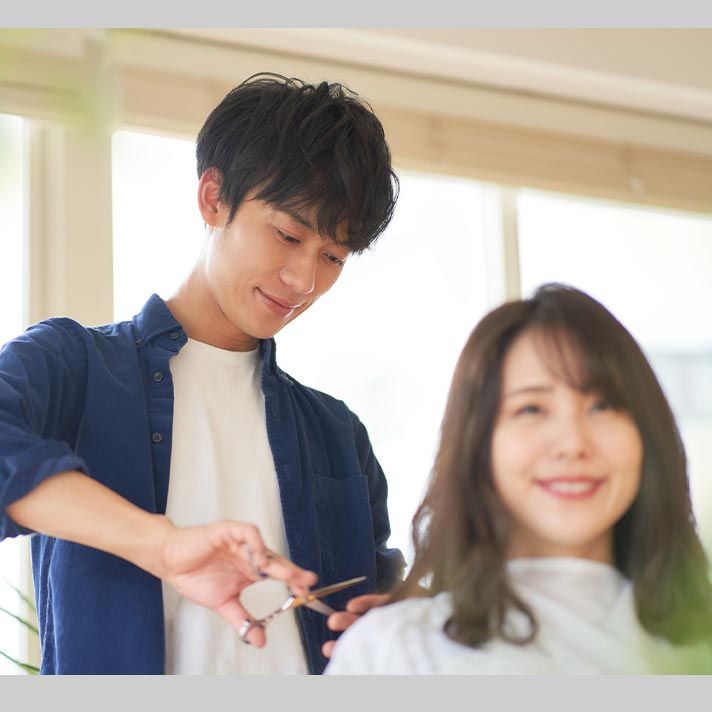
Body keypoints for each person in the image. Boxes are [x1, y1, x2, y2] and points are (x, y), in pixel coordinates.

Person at [0, 73, 405, 674]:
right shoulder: (73, 363)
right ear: (213, 198)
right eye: (288, 234)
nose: (304, 281)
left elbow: (381, 595)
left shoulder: (339, 433)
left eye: (332, 257)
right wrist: (163, 546)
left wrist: (397, 619)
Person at [325, 283, 712, 674]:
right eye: (531, 409)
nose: (572, 443)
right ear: (479, 444)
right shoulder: (395, 652)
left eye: (603, 405)